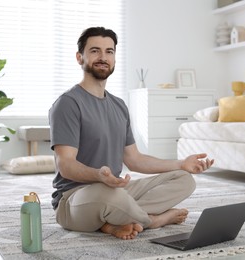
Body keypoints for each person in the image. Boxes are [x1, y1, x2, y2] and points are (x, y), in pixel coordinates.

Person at [49, 26, 214, 240]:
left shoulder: (119, 106)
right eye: (95, 50)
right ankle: (153, 220)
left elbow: (134, 159)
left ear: (115, 59)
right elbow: (66, 165)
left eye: (109, 51)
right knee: (112, 196)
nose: (103, 57)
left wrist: (181, 164)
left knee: (184, 180)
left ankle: (113, 221)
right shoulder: (67, 103)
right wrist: (97, 175)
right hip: (74, 199)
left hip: (115, 191)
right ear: (80, 57)